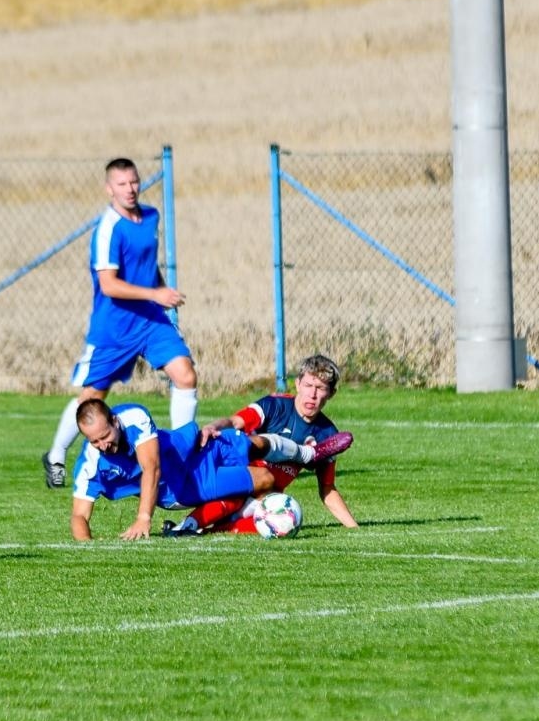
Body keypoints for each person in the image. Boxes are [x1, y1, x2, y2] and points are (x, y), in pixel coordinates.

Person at [42, 157, 197, 489]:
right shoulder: (108, 229)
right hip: (114, 327)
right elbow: (109, 284)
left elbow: (146, 266)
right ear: (109, 188)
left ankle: (185, 456)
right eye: (122, 184)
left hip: (150, 321)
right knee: (92, 398)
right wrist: (155, 295)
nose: (130, 189)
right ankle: (56, 454)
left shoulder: (150, 217)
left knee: (185, 375)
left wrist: (160, 295)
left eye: (135, 182)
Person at [69, 398, 351, 541]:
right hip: (187, 484)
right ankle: (196, 527)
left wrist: (144, 518)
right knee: (265, 479)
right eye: (94, 441)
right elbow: (79, 515)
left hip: (195, 446)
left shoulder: (133, 416)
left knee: (252, 443)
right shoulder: (90, 465)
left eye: (105, 436)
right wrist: (87, 547)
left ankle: (309, 453)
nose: (102, 444)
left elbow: (151, 465)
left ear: (115, 421)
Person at [165, 353, 359, 536]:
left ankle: (202, 531)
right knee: (237, 494)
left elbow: (327, 488)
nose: (312, 394)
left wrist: (354, 529)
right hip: (241, 481)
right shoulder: (275, 406)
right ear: (298, 384)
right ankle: (187, 526)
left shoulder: (328, 435)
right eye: (308, 385)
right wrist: (212, 426)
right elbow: (235, 422)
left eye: (321, 388)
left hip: (267, 498)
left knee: (284, 518)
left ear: (332, 393)